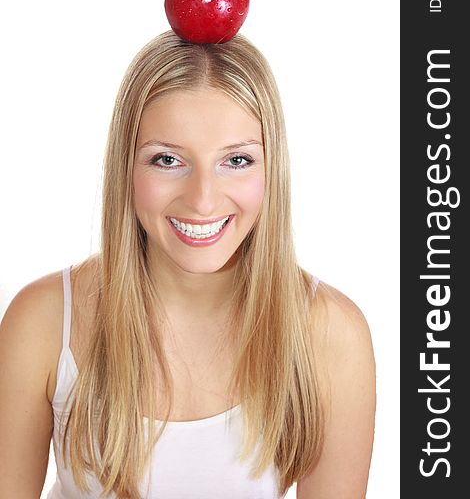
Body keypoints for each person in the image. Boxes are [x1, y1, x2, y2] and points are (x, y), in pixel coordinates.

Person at [0, 30, 376, 498]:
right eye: (167, 159)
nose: (202, 200)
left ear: (271, 168)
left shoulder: (330, 334)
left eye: (236, 160)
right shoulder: (43, 322)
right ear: (126, 168)